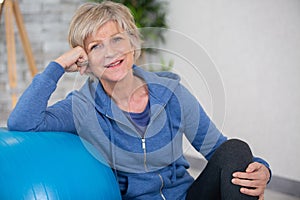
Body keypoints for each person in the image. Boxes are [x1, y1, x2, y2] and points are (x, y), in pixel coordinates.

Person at [7, 1, 271, 199]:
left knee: (236, 148)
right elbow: (22, 122)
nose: (110, 52)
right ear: (84, 61)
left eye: (116, 39)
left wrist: (264, 171)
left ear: (133, 44)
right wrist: (57, 66)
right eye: (95, 46)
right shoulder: (81, 107)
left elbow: (220, 151)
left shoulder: (171, 93)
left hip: (187, 196)